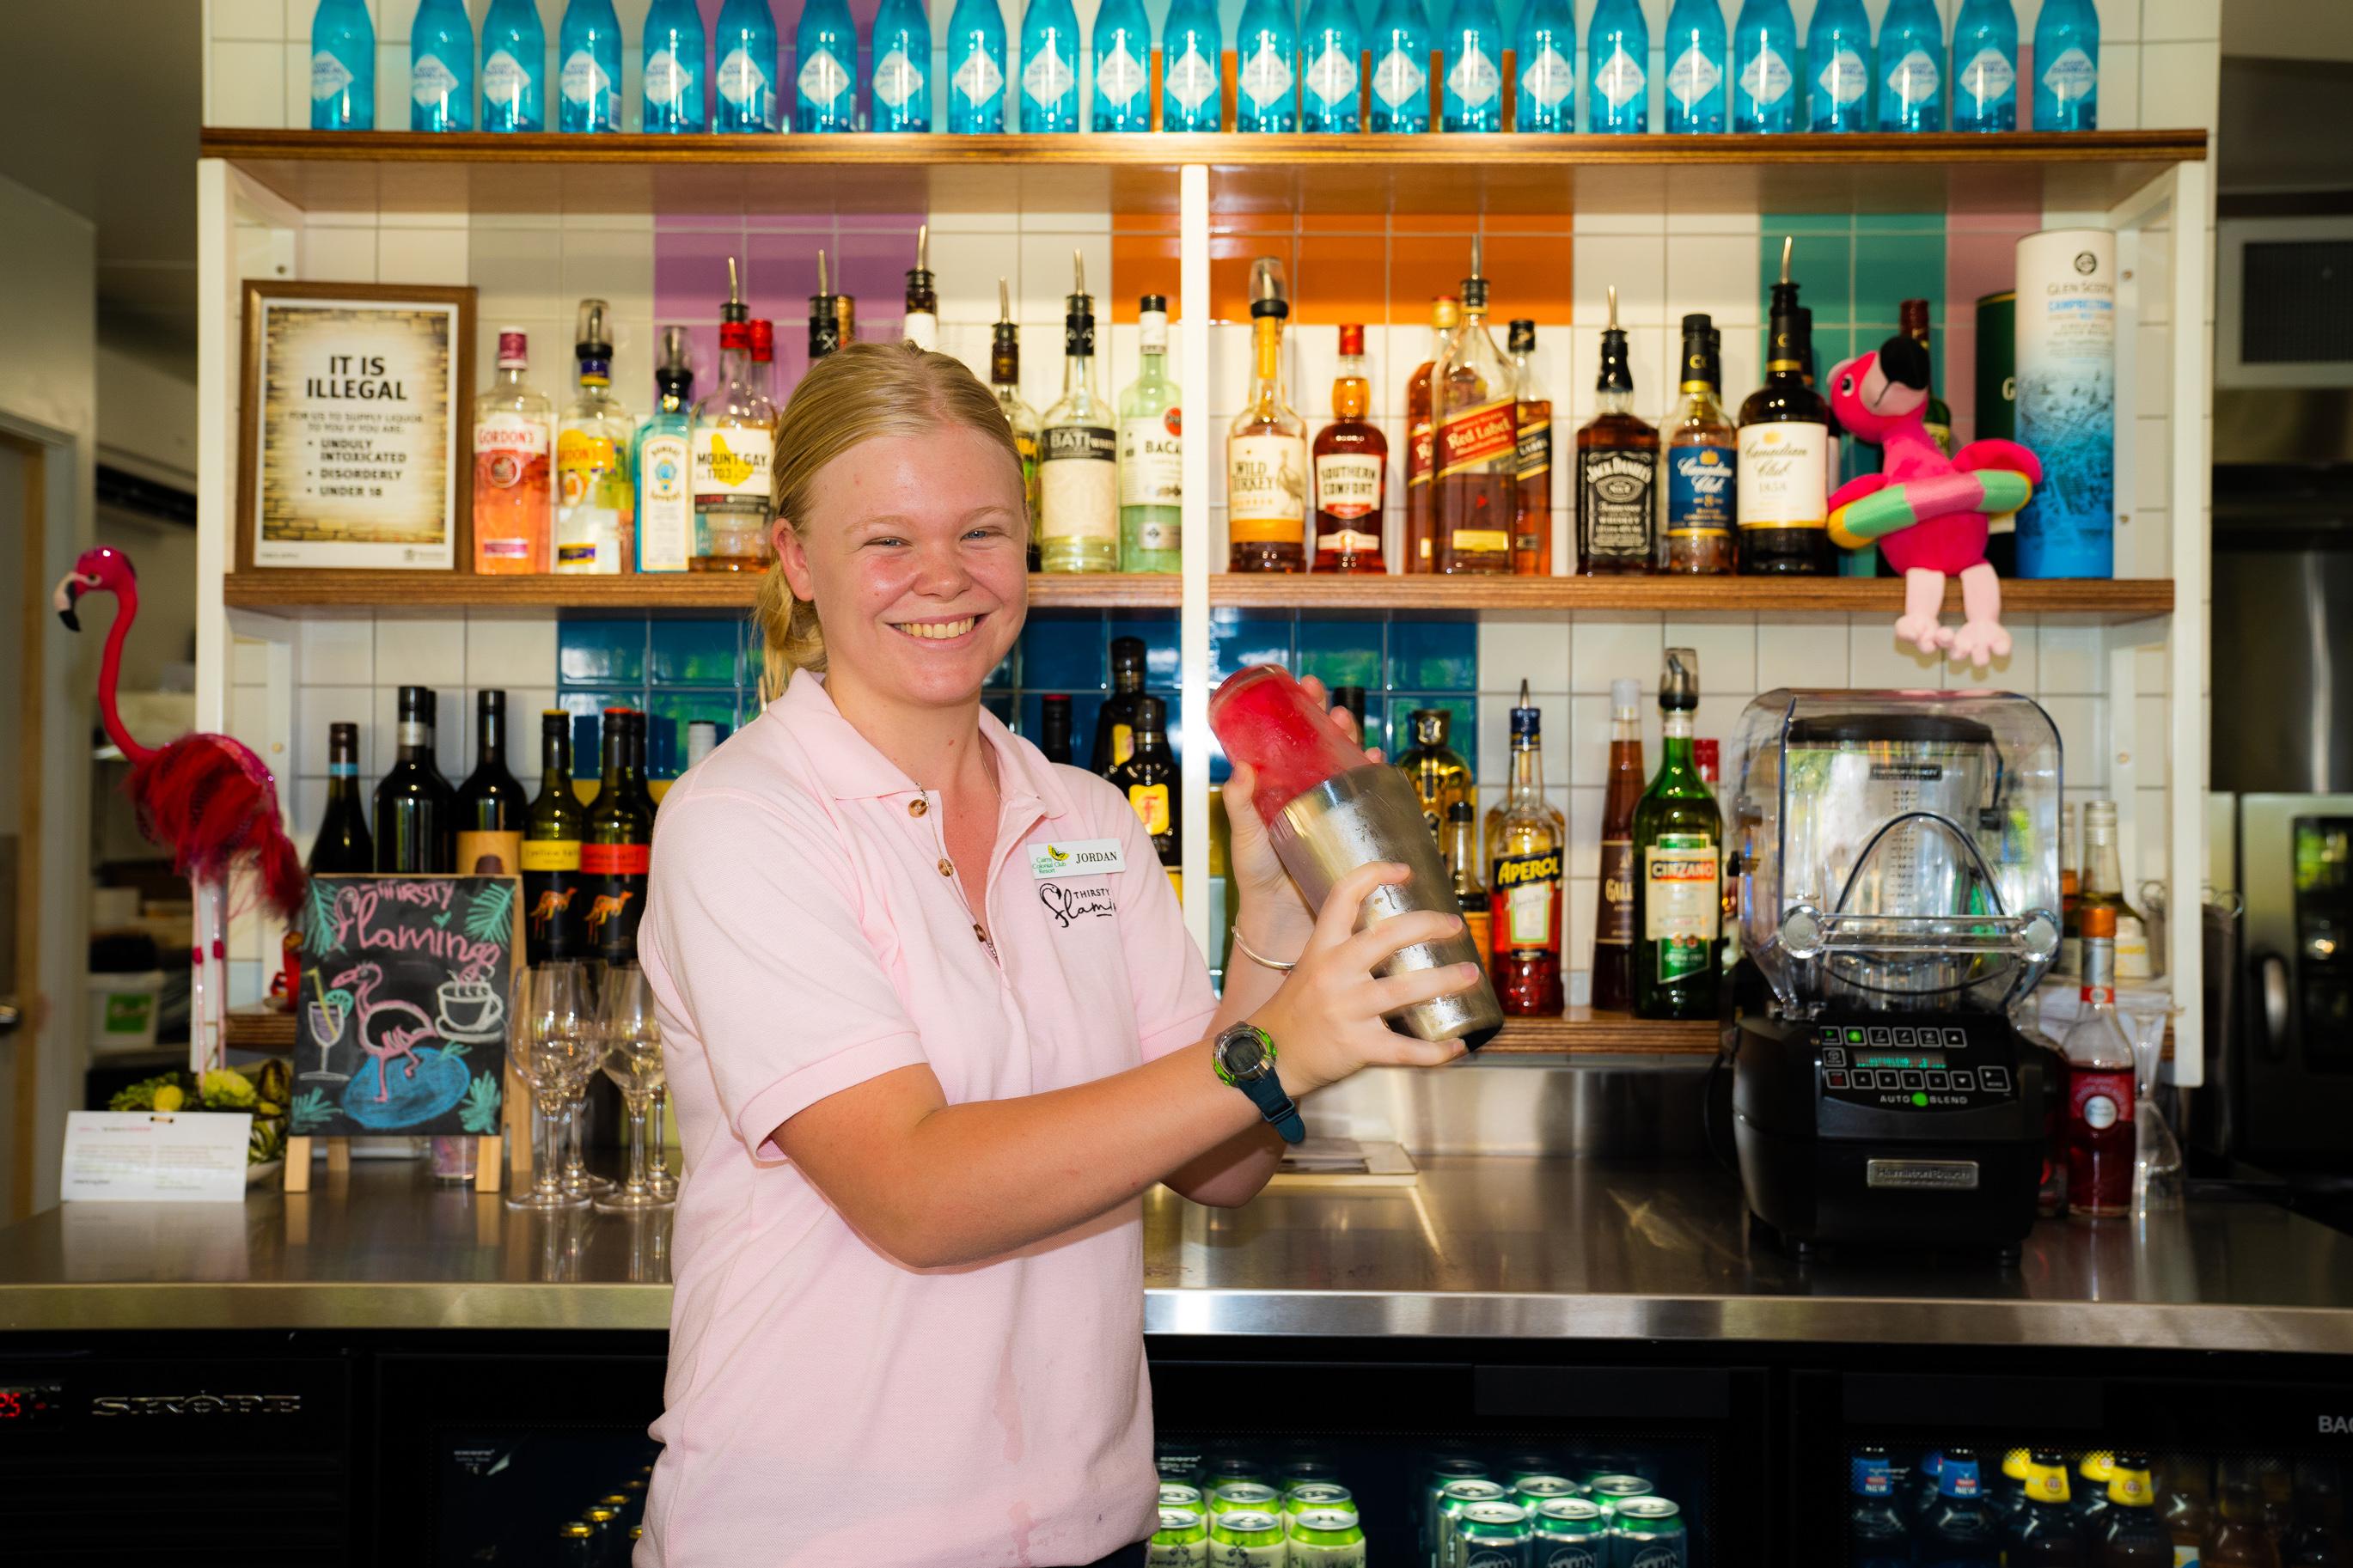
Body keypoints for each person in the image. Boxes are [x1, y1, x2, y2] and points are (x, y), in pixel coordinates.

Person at [636, 343, 1471, 1567]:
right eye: (887, 541)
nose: (944, 578)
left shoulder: (1081, 817)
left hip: (1084, 1527)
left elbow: (1222, 1166)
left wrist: (1277, 923)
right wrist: (1274, 1053)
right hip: (816, 1536)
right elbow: (916, 1193)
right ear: (796, 559)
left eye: (981, 532)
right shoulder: (743, 819)